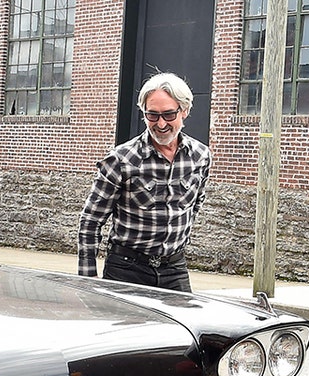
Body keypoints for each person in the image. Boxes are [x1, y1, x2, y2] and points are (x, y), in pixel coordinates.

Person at [78, 72, 212, 292]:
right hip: (126, 270)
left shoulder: (201, 156)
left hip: (174, 269)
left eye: (169, 114)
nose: (161, 123)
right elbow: (91, 220)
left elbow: (194, 205)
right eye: (152, 115)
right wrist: (88, 279)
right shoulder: (121, 159)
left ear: (185, 111)